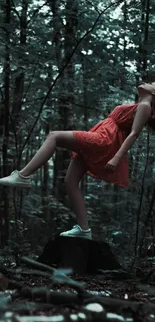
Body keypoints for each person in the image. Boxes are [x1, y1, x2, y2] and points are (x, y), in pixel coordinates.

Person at [0, 82, 155, 240]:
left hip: (104, 139)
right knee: (70, 181)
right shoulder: (140, 105)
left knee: (54, 136)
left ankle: (23, 176)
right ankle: (84, 229)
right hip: (101, 134)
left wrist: (116, 158)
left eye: (152, 83)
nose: (147, 82)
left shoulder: (145, 106)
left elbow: (134, 134)